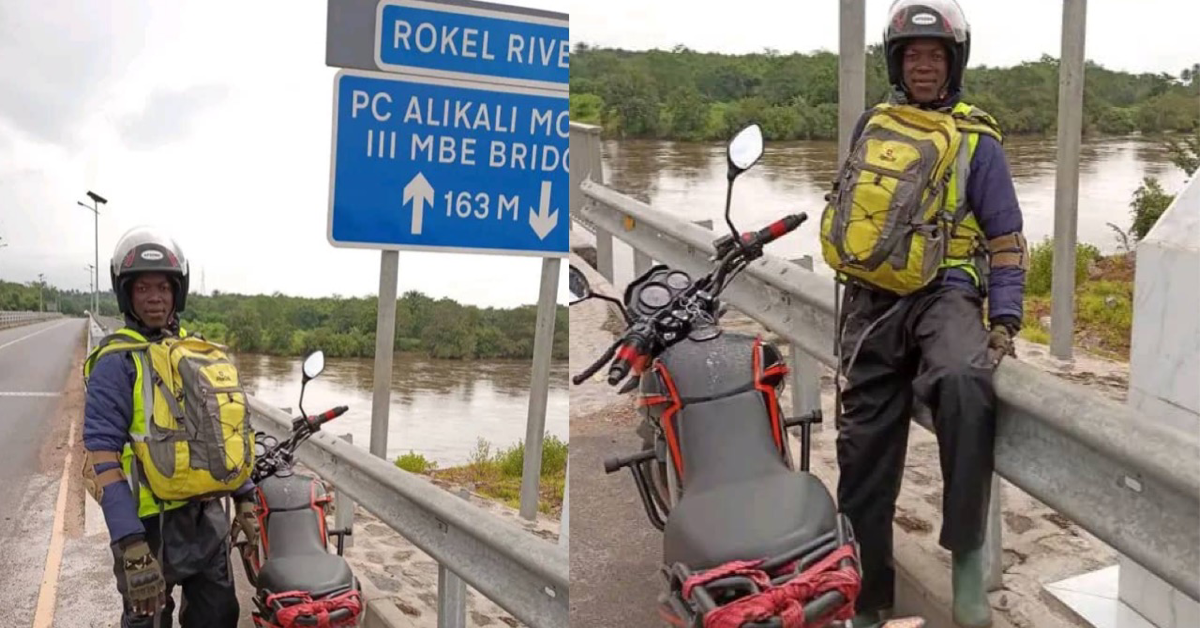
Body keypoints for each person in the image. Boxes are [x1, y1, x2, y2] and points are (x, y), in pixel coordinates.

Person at [822, 1, 1029, 627]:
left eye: (934, 57)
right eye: (912, 57)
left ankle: (966, 561)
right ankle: (868, 598)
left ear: (953, 64)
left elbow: (1005, 237)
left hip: (948, 292)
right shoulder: (873, 125)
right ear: (895, 62)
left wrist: (1007, 319)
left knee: (966, 385)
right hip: (876, 296)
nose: (922, 67)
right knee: (861, 445)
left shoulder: (979, 141)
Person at [81, 227, 260, 627]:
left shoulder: (195, 356)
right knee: (147, 622)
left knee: (218, 617)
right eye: (142, 288)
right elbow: (103, 455)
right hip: (146, 528)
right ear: (126, 294)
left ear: (177, 292)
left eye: (163, 287)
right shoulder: (116, 361)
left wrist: (245, 495)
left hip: (203, 518)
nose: (155, 298)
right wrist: (129, 543)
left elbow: (220, 433)